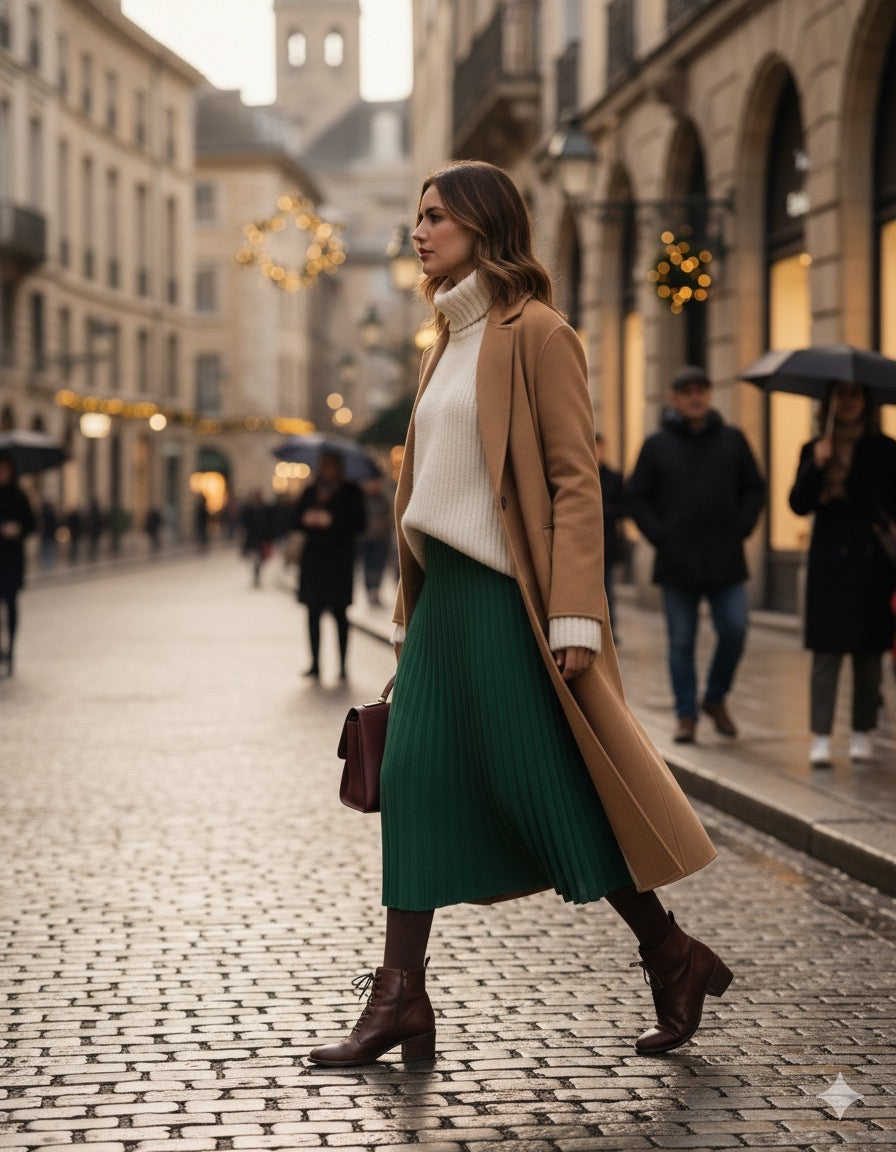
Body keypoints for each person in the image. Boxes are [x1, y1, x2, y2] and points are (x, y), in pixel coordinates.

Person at [309, 161, 731, 1069]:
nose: (418, 233)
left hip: (510, 603)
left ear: (483, 225)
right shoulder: (442, 344)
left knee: (551, 791)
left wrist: (576, 614)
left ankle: (670, 952)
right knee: (413, 783)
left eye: (435, 217)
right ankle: (401, 998)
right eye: (417, 218)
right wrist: (407, 616)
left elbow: (578, 483)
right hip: (445, 605)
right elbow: (428, 494)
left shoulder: (538, 335)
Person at [625, 366, 766, 744]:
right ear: (673, 398)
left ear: (709, 393)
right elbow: (635, 495)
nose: (694, 397)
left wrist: (742, 525)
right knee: (681, 643)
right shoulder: (657, 446)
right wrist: (659, 534)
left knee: (734, 629)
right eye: (686, 391)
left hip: (726, 559)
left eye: (700, 389)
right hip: (677, 562)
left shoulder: (733, 440)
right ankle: (685, 715)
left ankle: (715, 697)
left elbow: (755, 488)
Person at [788, 381, 896, 766]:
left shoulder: (884, 449)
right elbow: (797, 504)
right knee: (826, 653)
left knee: (868, 654)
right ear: (830, 402)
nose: (848, 402)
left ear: (866, 403)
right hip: (829, 564)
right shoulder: (814, 448)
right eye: (841, 395)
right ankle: (820, 735)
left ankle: (862, 732)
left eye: (856, 395)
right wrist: (817, 466)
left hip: (871, 564)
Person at [291, 449, 366, 680]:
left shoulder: (352, 491)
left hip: (339, 563)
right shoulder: (310, 491)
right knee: (312, 613)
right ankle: (315, 663)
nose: (327, 469)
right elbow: (293, 519)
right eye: (324, 464)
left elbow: (360, 523)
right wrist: (307, 519)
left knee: (340, 615)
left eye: (331, 464)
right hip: (313, 562)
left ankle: (343, 665)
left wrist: (331, 521)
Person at [0, 453, 37, 676]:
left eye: (5, 470)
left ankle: (11, 650)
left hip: (12, 560)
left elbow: (31, 524)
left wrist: (18, 530)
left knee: (11, 605)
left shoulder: (19, 496)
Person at [594, 432, 626, 644]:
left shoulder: (614, 478)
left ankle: (609, 629)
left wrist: (602, 510)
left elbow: (625, 507)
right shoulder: (579, 474)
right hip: (583, 543)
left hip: (607, 542)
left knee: (607, 587)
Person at [359, 476, 393, 606]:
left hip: (380, 538)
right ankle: (369, 590)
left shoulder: (384, 499)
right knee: (367, 566)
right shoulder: (363, 499)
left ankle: (376, 591)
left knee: (379, 566)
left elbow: (389, 516)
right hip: (366, 538)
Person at [239, 490, 274, 588]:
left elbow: (270, 523)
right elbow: (244, 524)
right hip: (252, 538)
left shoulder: (266, 509)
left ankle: (257, 575)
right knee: (255, 558)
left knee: (260, 559)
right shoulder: (248, 509)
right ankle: (256, 576)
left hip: (262, 538)